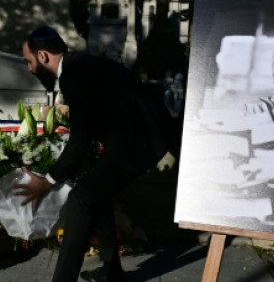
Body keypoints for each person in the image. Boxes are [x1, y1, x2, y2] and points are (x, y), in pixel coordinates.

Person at [14, 26, 176, 282]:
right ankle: (111, 270)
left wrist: (47, 181)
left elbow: (80, 140)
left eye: (29, 61)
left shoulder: (75, 74)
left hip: (140, 143)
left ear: (43, 56)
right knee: (95, 191)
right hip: (133, 138)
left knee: (81, 199)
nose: (30, 69)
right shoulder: (81, 66)